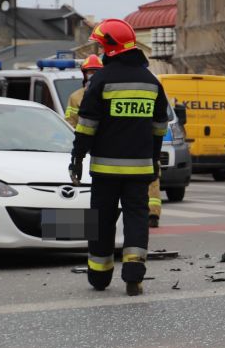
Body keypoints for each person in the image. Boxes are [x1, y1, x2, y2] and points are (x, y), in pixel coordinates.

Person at [69, 18, 167, 296]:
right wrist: (154, 157)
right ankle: (134, 271)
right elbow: (160, 125)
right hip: (139, 169)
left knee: (101, 220)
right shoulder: (151, 82)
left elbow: (86, 124)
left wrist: (77, 156)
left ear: (111, 48)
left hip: (105, 170)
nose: (100, 51)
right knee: (137, 217)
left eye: (101, 46)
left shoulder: (101, 79)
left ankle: (99, 276)